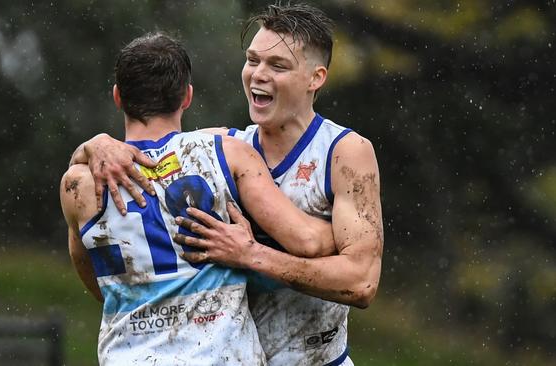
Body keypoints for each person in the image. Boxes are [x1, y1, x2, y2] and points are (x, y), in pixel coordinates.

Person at [71, 4, 383, 365]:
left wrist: (252, 255)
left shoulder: (345, 152)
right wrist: (96, 145)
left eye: (277, 66)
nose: (257, 75)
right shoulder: (220, 148)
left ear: (316, 78)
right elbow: (148, 146)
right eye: (253, 61)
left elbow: (361, 283)